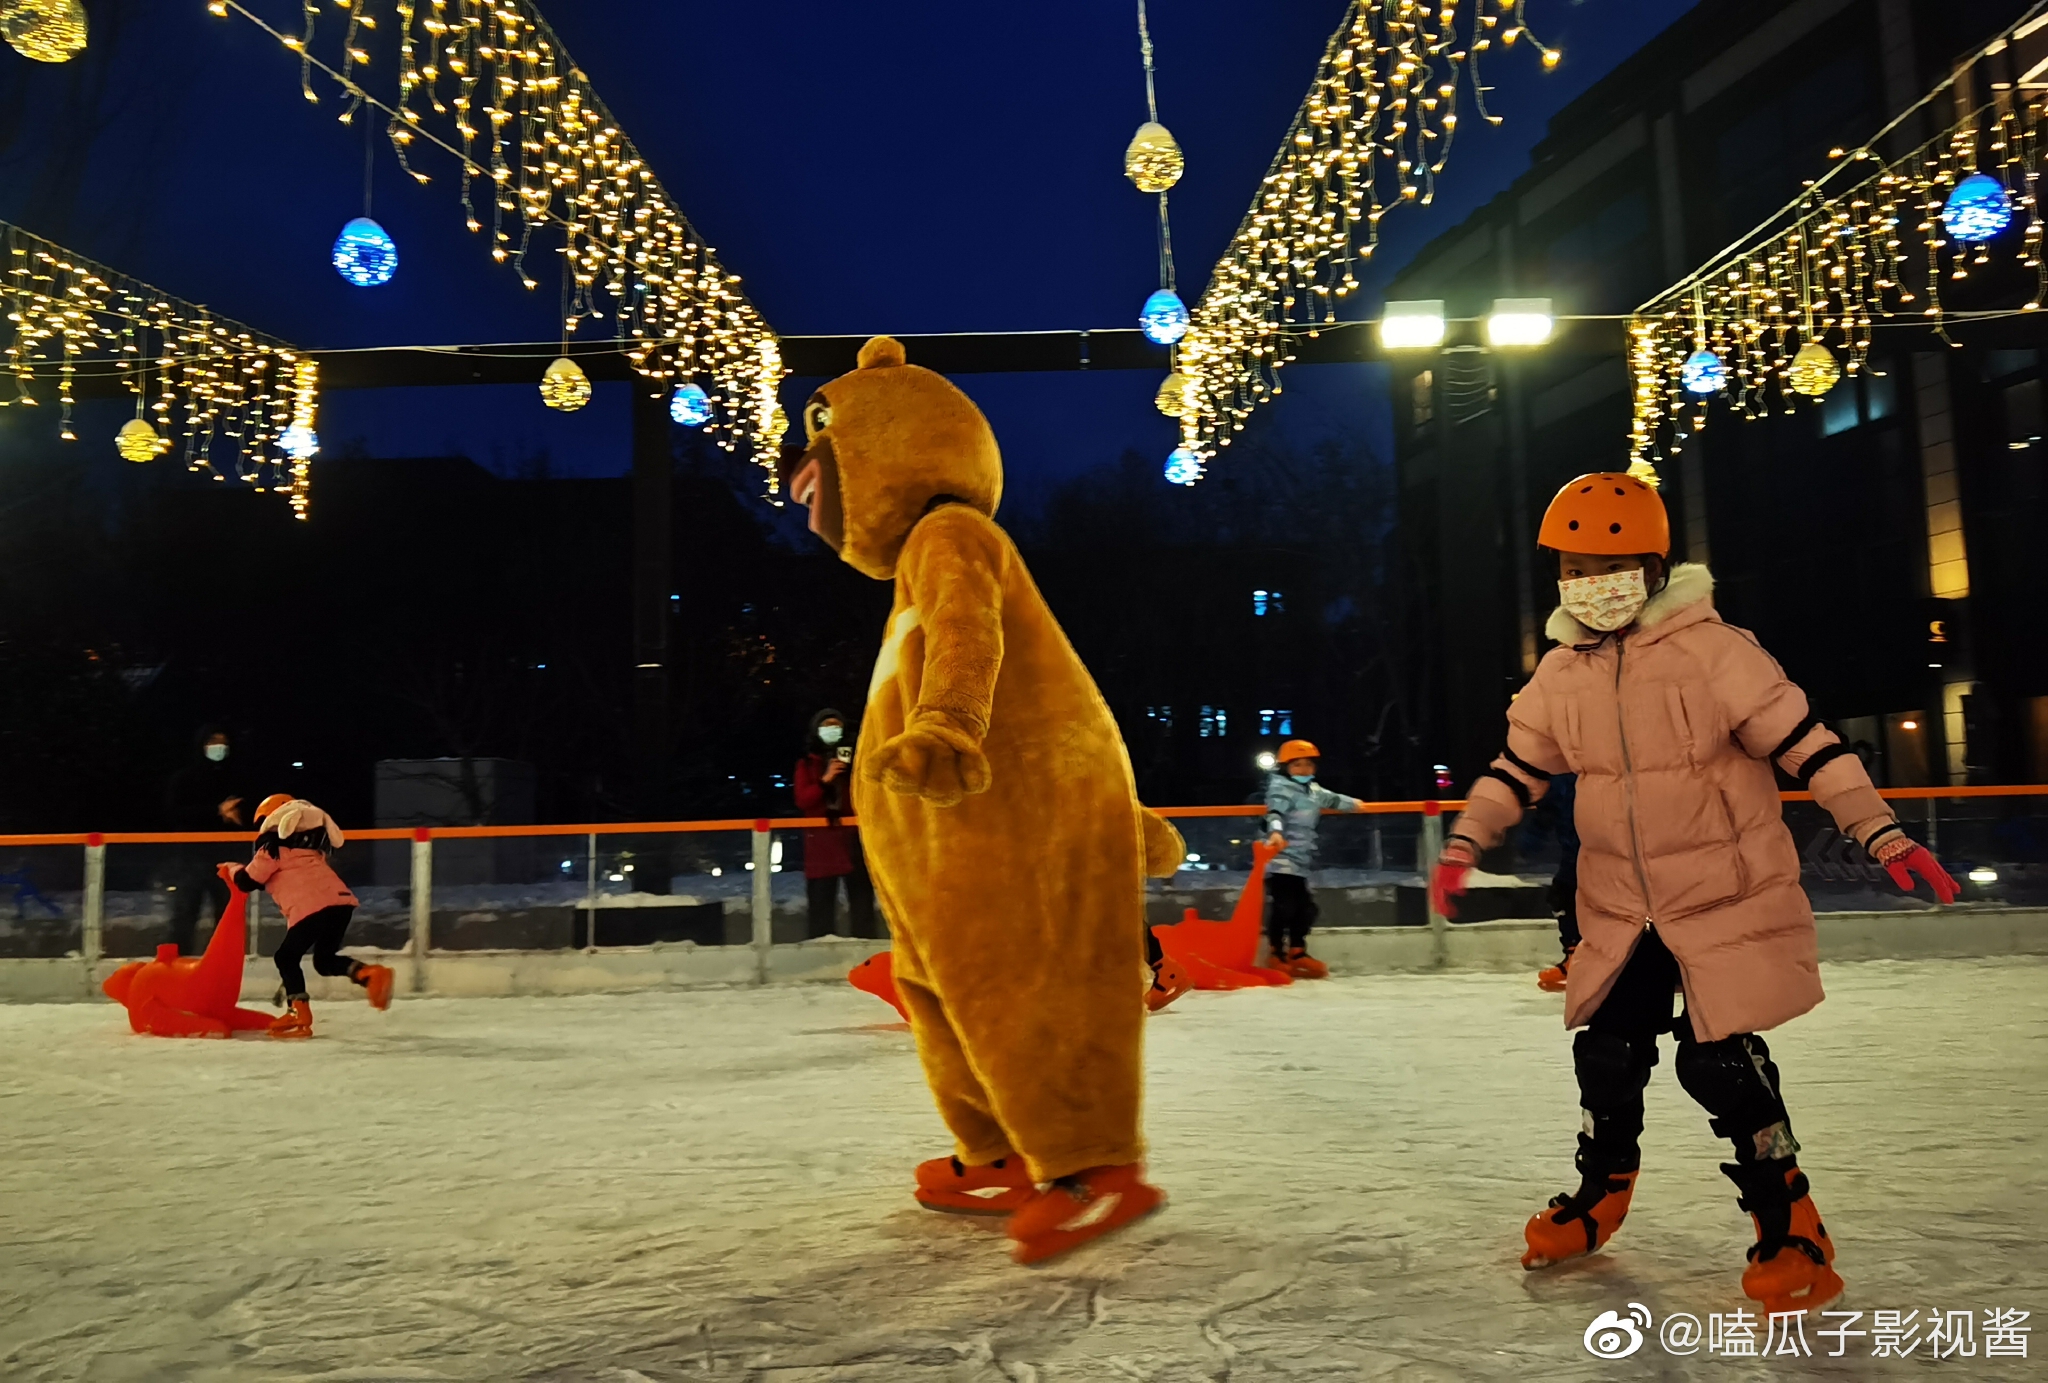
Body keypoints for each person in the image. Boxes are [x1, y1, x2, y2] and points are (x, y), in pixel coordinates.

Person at [1430, 471, 1957, 1314]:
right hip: (1620, 903)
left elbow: (1809, 746)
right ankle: (1602, 1190)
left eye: (1606, 564)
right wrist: (1466, 838)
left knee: (1717, 1060)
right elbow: (1517, 768)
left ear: (1653, 565)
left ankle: (1792, 1221)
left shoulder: (1718, 653)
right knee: (1606, 1051)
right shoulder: (1561, 675)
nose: (1586, 584)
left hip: (1724, 894)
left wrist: (1881, 831)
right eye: (1570, 568)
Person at [785, 336, 1186, 1264]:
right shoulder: (919, 563)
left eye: (817, 477)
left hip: (1005, 820)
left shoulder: (952, 535)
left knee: (1022, 987)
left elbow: (972, 635)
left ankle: (1094, 1166)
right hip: (955, 837)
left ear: (876, 453)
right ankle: (995, 1150)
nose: (809, 502)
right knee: (940, 993)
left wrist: (948, 724)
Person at [230, 795, 393, 1039]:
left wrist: (231, 869)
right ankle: (367, 974)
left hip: (312, 908)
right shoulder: (312, 851)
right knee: (324, 961)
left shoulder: (273, 850)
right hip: (340, 904)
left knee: (285, 957)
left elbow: (248, 881)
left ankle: (299, 1013)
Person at [1261, 738, 1366, 978]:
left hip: (1300, 860)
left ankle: (1297, 951)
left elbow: (1333, 799)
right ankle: (1276, 951)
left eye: (1308, 765)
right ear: (1285, 768)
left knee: (1306, 909)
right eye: (1297, 765)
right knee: (1284, 906)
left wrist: (1354, 804)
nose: (1304, 770)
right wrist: (1275, 833)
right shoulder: (1280, 789)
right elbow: (1274, 813)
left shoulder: (1313, 790)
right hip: (1279, 858)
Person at [793, 708, 879, 938]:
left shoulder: (857, 759)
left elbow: (867, 798)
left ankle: (864, 949)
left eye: (837, 726)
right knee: (821, 902)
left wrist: (853, 774)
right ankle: (820, 952)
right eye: (827, 726)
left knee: (861, 899)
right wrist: (825, 780)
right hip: (821, 842)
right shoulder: (807, 763)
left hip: (852, 839)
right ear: (816, 730)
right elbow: (803, 800)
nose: (832, 730)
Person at [162, 725, 248, 954]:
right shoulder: (184, 779)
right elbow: (175, 813)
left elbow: (251, 813)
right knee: (185, 914)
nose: (218, 748)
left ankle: (224, 961)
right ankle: (177, 963)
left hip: (228, 860)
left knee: (227, 915)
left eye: (223, 743)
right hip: (191, 859)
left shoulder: (236, 778)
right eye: (213, 742)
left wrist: (238, 817)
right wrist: (216, 811)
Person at [1537, 772, 1579, 992]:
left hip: (1608, 850)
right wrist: (1533, 838)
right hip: (1573, 852)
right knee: (1562, 897)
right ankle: (1574, 956)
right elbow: (1549, 809)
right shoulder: (1561, 775)